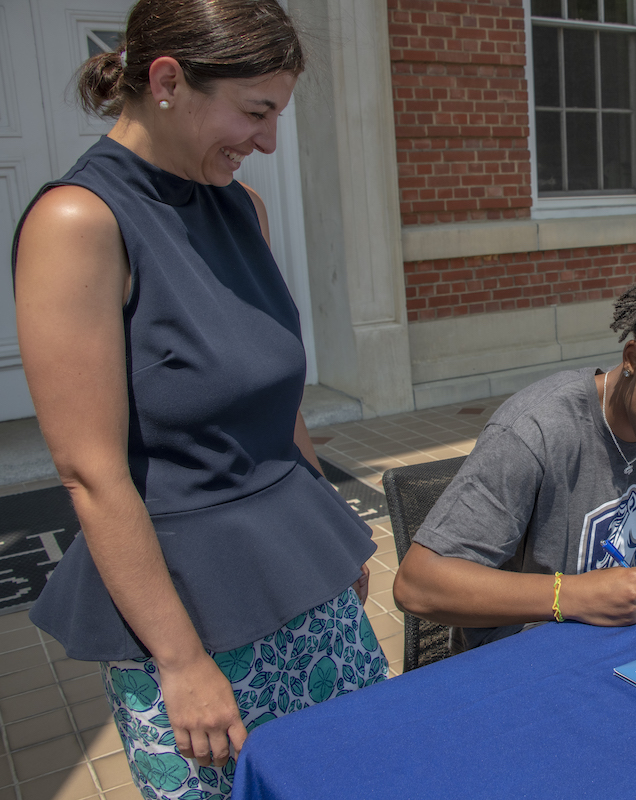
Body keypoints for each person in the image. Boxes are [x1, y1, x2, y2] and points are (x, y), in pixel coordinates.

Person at [11, 2, 386, 797]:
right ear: (168, 80)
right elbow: (90, 471)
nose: (268, 142)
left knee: (358, 777)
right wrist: (180, 663)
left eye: (277, 114)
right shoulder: (79, 221)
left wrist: (326, 532)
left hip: (302, 579)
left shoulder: (241, 208)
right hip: (186, 616)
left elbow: (278, 405)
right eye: (255, 112)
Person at [393, 256, 636, 653]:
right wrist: (573, 596)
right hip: (521, 654)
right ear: (632, 359)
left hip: (626, 644)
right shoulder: (536, 431)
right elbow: (418, 584)